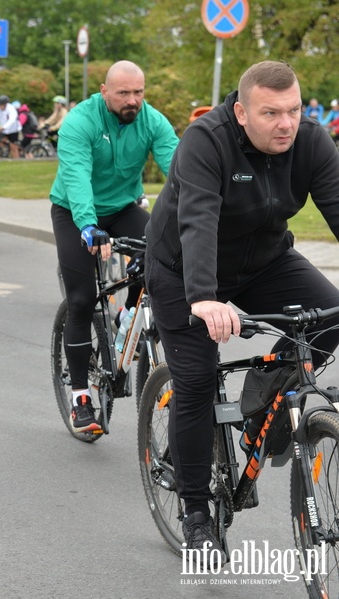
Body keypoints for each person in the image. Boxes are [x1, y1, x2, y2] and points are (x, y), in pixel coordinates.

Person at [144, 60, 339, 562]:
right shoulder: (206, 141)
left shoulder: (312, 142)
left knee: (331, 314)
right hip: (185, 269)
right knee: (196, 379)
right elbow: (199, 219)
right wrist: (205, 298)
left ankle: (263, 408)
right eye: (271, 112)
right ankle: (196, 513)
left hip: (264, 261)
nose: (286, 124)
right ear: (241, 111)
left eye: (294, 110)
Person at [50, 60, 178, 433]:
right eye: (123, 92)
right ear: (105, 91)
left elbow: (181, 167)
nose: (132, 100)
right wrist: (87, 224)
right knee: (81, 300)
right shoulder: (80, 121)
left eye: (138, 92)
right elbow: (75, 174)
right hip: (75, 211)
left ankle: (126, 321)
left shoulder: (152, 120)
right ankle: (80, 398)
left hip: (123, 207)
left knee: (159, 256)